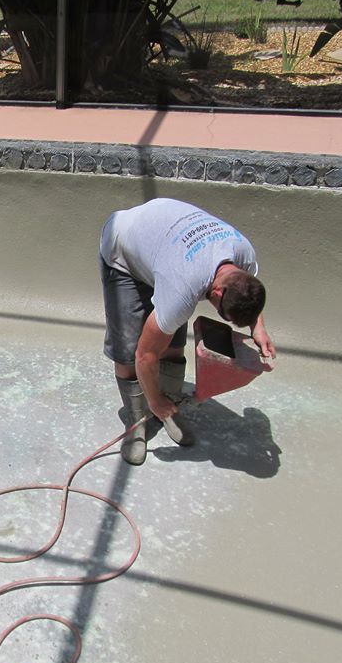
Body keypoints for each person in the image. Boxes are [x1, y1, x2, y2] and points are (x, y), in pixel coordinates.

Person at [99, 197, 277, 465]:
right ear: (216, 293)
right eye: (221, 311)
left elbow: (249, 290)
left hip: (165, 246)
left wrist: (258, 327)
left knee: (173, 344)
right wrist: (154, 400)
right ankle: (138, 421)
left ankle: (169, 411)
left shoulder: (244, 257)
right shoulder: (184, 285)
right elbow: (144, 356)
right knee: (127, 352)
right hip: (123, 249)